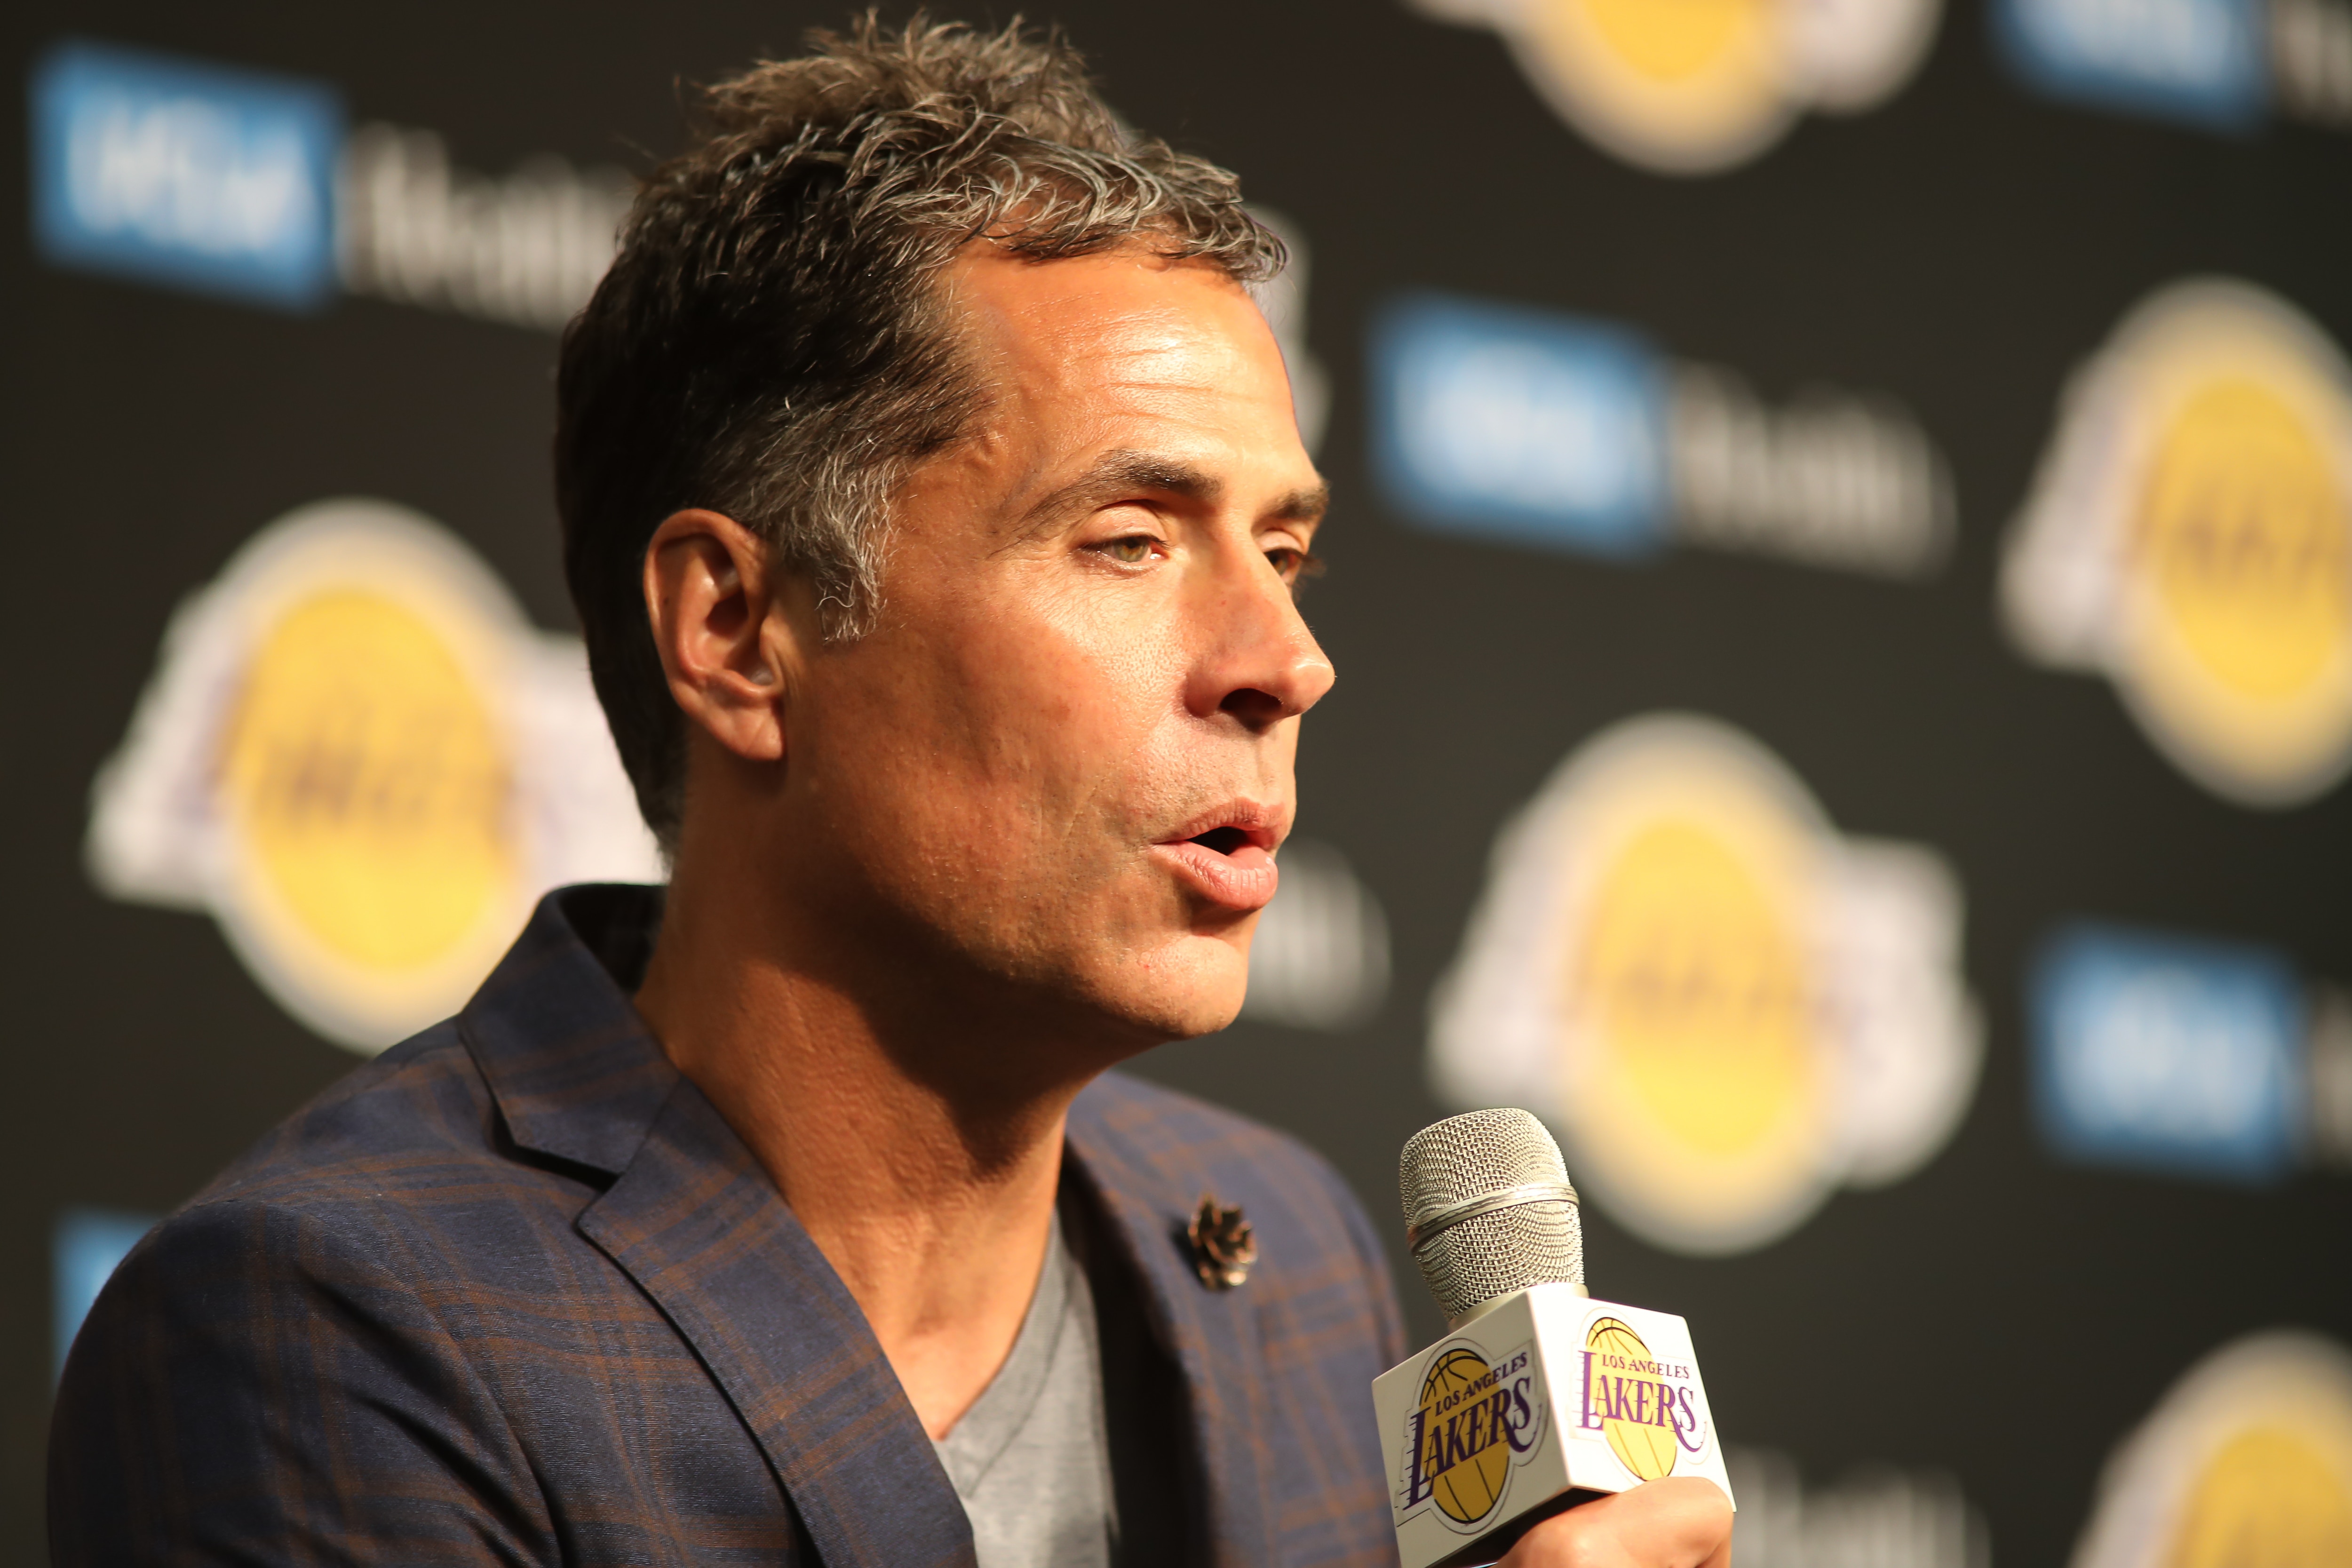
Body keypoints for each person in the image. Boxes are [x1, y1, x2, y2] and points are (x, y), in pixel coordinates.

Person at [50, 17, 1732, 1568]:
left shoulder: (1285, 1258)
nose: (1285, 662)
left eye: (1283, 552)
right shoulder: (332, 1328)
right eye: (1130, 542)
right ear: (739, 631)